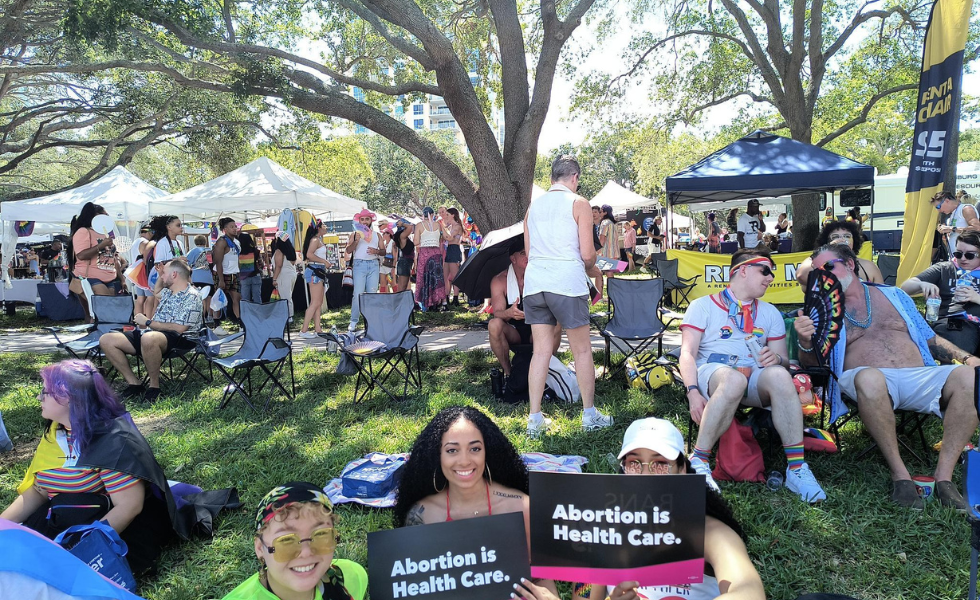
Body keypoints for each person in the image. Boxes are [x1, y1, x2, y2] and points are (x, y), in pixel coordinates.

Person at [797, 243, 979, 509]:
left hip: (919, 375)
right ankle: (901, 476)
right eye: (817, 272)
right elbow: (814, 364)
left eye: (828, 267)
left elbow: (930, 338)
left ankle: (944, 478)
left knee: (969, 378)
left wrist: (966, 358)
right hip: (864, 380)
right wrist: (804, 341)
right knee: (870, 378)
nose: (822, 276)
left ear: (849, 265)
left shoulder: (894, 295)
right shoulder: (821, 309)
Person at [0, 360, 177, 575]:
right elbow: (39, 491)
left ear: (66, 397)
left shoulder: (114, 439)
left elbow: (129, 507)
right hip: (62, 519)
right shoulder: (55, 434)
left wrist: (83, 550)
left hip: (109, 529)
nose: (40, 397)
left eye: (44, 392)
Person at [679, 247, 826, 502]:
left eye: (772, 273)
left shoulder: (769, 312)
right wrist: (692, 392)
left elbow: (783, 360)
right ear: (742, 270)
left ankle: (797, 468)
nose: (770, 278)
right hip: (714, 373)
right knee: (733, 379)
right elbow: (687, 353)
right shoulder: (702, 305)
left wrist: (776, 358)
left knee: (781, 376)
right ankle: (698, 462)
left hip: (755, 375)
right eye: (765, 271)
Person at [570, 418, 766, 600]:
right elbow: (583, 594)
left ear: (682, 470)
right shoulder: (600, 531)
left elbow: (748, 590)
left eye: (660, 464)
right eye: (634, 463)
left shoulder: (708, 531)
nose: (645, 475)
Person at [523, 155, 613, 436]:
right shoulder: (579, 203)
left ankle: (534, 420)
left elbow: (528, 253)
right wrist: (593, 268)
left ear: (552, 178)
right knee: (582, 350)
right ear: (574, 178)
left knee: (540, 352)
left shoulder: (532, 207)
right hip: (566, 283)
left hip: (535, 283)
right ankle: (589, 415)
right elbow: (587, 254)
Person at [222, 481, 367, 600]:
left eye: (321, 534)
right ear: (260, 548)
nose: (306, 552)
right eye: (286, 540)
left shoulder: (352, 577)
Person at [100, 258, 203, 403]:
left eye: (164, 273)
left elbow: (180, 328)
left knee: (149, 338)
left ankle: (154, 387)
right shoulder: (169, 292)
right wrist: (162, 272)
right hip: (151, 334)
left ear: (174, 275)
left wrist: (148, 322)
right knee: (107, 340)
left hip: (180, 339)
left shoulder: (192, 296)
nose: (161, 276)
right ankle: (134, 384)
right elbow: (157, 291)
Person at [901, 231, 980, 357]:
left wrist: (977, 298)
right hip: (954, 321)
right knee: (959, 338)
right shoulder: (944, 268)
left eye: (970, 255)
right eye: (958, 254)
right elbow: (904, 287)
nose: (963, 258)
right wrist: (921, 285)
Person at [488, 244, 561, 378]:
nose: (528, 256)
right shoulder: (500, 280)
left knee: (556, 323)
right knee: (494, 325)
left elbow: (553, 308)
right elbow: (497, 313)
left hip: (537, 327)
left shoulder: (541, 276)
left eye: (529, 251)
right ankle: (509, 374)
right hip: (514, 330)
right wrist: (509, 313)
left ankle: (547, 371)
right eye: (522, 253)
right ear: (513, 259)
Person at [794, 220, 883, 287]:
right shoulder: (816, 262)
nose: (842, 240)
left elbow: (883, 296)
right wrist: (826, 251)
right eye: (835, 237)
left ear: (854, 240)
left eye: (847, 236)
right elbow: (802, 276)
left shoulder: (868, 266)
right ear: (827, 242)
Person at [69, 202, 118, 321]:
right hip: (90, 276)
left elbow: (113, 257)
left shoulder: (105, 233)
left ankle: (103, 335)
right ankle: (97, 335)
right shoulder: (84, 231)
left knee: (106, 311)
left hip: (109, 276)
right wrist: (101, 245)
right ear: (95, 216)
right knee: (103, 310)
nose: (107, 217)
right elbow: (81, 255)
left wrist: (121, 277)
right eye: (104, 215)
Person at [346, 208, 384, 332]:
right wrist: (356, 241)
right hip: (359, 265)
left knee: (372, 294)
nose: (364, 222)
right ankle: (354, 320)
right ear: (359, 221)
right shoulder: (354, 234)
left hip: (373, 264)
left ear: (370, 220)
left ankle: (372, 321)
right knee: (357, 293)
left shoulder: (377, 235)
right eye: (362, 219)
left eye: (367, 219)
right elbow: (348, 250)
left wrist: (376, 251)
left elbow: (383, 251)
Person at [144, 215, 185, 319]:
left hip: (176, 278)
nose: (181, 227)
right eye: (178, 225)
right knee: (159, 305)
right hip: (164, 278)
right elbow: (158, 263)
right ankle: (153, 325)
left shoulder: (179, 243)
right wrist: (176, 261)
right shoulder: (162, 243)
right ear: (169, 227)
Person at [300, 221, 332, 338]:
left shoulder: (317, 240)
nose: (326, 228)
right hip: (315, 271)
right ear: (318, 228)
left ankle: (318, 328)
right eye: (324, 226)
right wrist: (324, 261)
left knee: (318, 302)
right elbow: (309, 254)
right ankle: (303, 330)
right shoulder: (315, 240)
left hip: (318, 271)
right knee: (315, 302)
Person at [414, 207, 447, 311]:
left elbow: (415, 242)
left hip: (425, 253)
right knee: (436, 277)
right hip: (436, 253)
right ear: (432, 214)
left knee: (424, 277)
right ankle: (437, 301)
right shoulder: (438, 225)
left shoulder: (419, 225)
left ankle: (426, 303)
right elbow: (443, 237)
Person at [934, 190, 980, 258]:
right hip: (956, 259)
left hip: (969, 259)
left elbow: (977, 228)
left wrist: (951, 228)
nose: (938, 210)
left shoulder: (965, 209)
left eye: (938, 206)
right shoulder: (951, 216)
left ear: (946, 200)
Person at [213, 218, 243, 323]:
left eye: (235, 226)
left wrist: (238, 271)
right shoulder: (222, 242)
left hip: (234, 273)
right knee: (218, 298)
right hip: (222, 273)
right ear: (225, 229)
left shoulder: (237, 242)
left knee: (237, 298)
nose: (235, 229)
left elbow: (237, 259)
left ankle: (239, 322)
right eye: (232, 227)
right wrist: (221, 279)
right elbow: (218, 261)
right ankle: (217, 324)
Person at [271, 234, 299, 320]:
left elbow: (278, 266)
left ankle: (289, 316)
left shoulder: (279, 251)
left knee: (285, 297)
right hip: (292, 274)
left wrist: (274, 278)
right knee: (288, 295)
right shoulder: (290, 250)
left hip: (283, 275)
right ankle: (289, 315)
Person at [129, 225, 155, 315]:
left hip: (136, 273)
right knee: (150, 298)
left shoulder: (135, 242)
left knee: (140, 299)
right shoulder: (145, 243)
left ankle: (139, 323)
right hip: (144, 273)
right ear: (148, 232)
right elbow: (146, 258)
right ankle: (148, 321)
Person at [443, 207, 465, 306]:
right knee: (445, 275)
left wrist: (442, 229)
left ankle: (455, 298)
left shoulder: (457, 226)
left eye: (447, 214)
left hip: (454, 249)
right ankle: (446, 296)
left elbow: (450, 238)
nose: (445, 216)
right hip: (448, 250)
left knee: (455, 275)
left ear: (452, 215)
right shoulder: (450, 227)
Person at [238, 229, 265, 305]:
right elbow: (261, 264)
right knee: (257, 298)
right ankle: (258, 314)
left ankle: (247, 315)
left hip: (243, 277)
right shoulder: (256, 251)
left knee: (245, 299)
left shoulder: (238, 252)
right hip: (256, 275)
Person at [394, 220, 415, 293]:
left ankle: (399, 302)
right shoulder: (402, 236)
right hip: (405, 261)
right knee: (402, 287)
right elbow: (410, 227)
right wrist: (403, 224)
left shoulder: (402, 237)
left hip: (405, 262)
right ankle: (398, 302)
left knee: (403, 286)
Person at [378, 221, 395, 293]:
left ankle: (397, 298)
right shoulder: (384, 244)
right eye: (383, 233)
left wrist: (394, 267)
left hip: (389, 266)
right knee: (382, 283)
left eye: (385, 233)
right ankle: (383, 299)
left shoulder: (393, 243)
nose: (383, 235)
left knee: (392, 282)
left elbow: (395, 256)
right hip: (383, 265)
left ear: (389, 234)